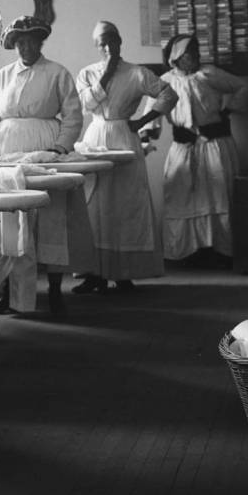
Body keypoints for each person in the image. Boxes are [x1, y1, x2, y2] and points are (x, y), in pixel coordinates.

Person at [141, 33, 248, 267]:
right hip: (184, 147)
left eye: (197, 51)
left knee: (219, 196)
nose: (196, 56)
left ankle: (222, 252)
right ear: (178, 57)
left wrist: (226, 108)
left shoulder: (209, 74)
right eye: (191, 52)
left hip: (215, 145)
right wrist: (147, 133)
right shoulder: (164, 82)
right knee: (181, 196)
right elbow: (151, 112)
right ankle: (186, 253)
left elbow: (242, 87)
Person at [70, 20, 164, 292]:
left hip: (124, 135)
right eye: (103, 43)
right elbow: (86, 105)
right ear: (97, 47)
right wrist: (107, 73)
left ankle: (124, 272)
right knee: (94, 206)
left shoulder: (137, 73)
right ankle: (94, 274)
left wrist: (144, 120)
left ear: (120, 41)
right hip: (96, 136)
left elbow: (168, 94)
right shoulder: (87, 73)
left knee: (125, 205)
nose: (109, 47)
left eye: (113, 40)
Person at [0, 15, 83, 159]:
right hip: (4, 150)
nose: (27, 48)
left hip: (48, 151)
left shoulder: (58, 73)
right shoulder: (1, 76)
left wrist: (60, 147)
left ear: (40, 43)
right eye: (21, 43)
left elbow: (72, 117)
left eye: (32, 42)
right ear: (14, 46)